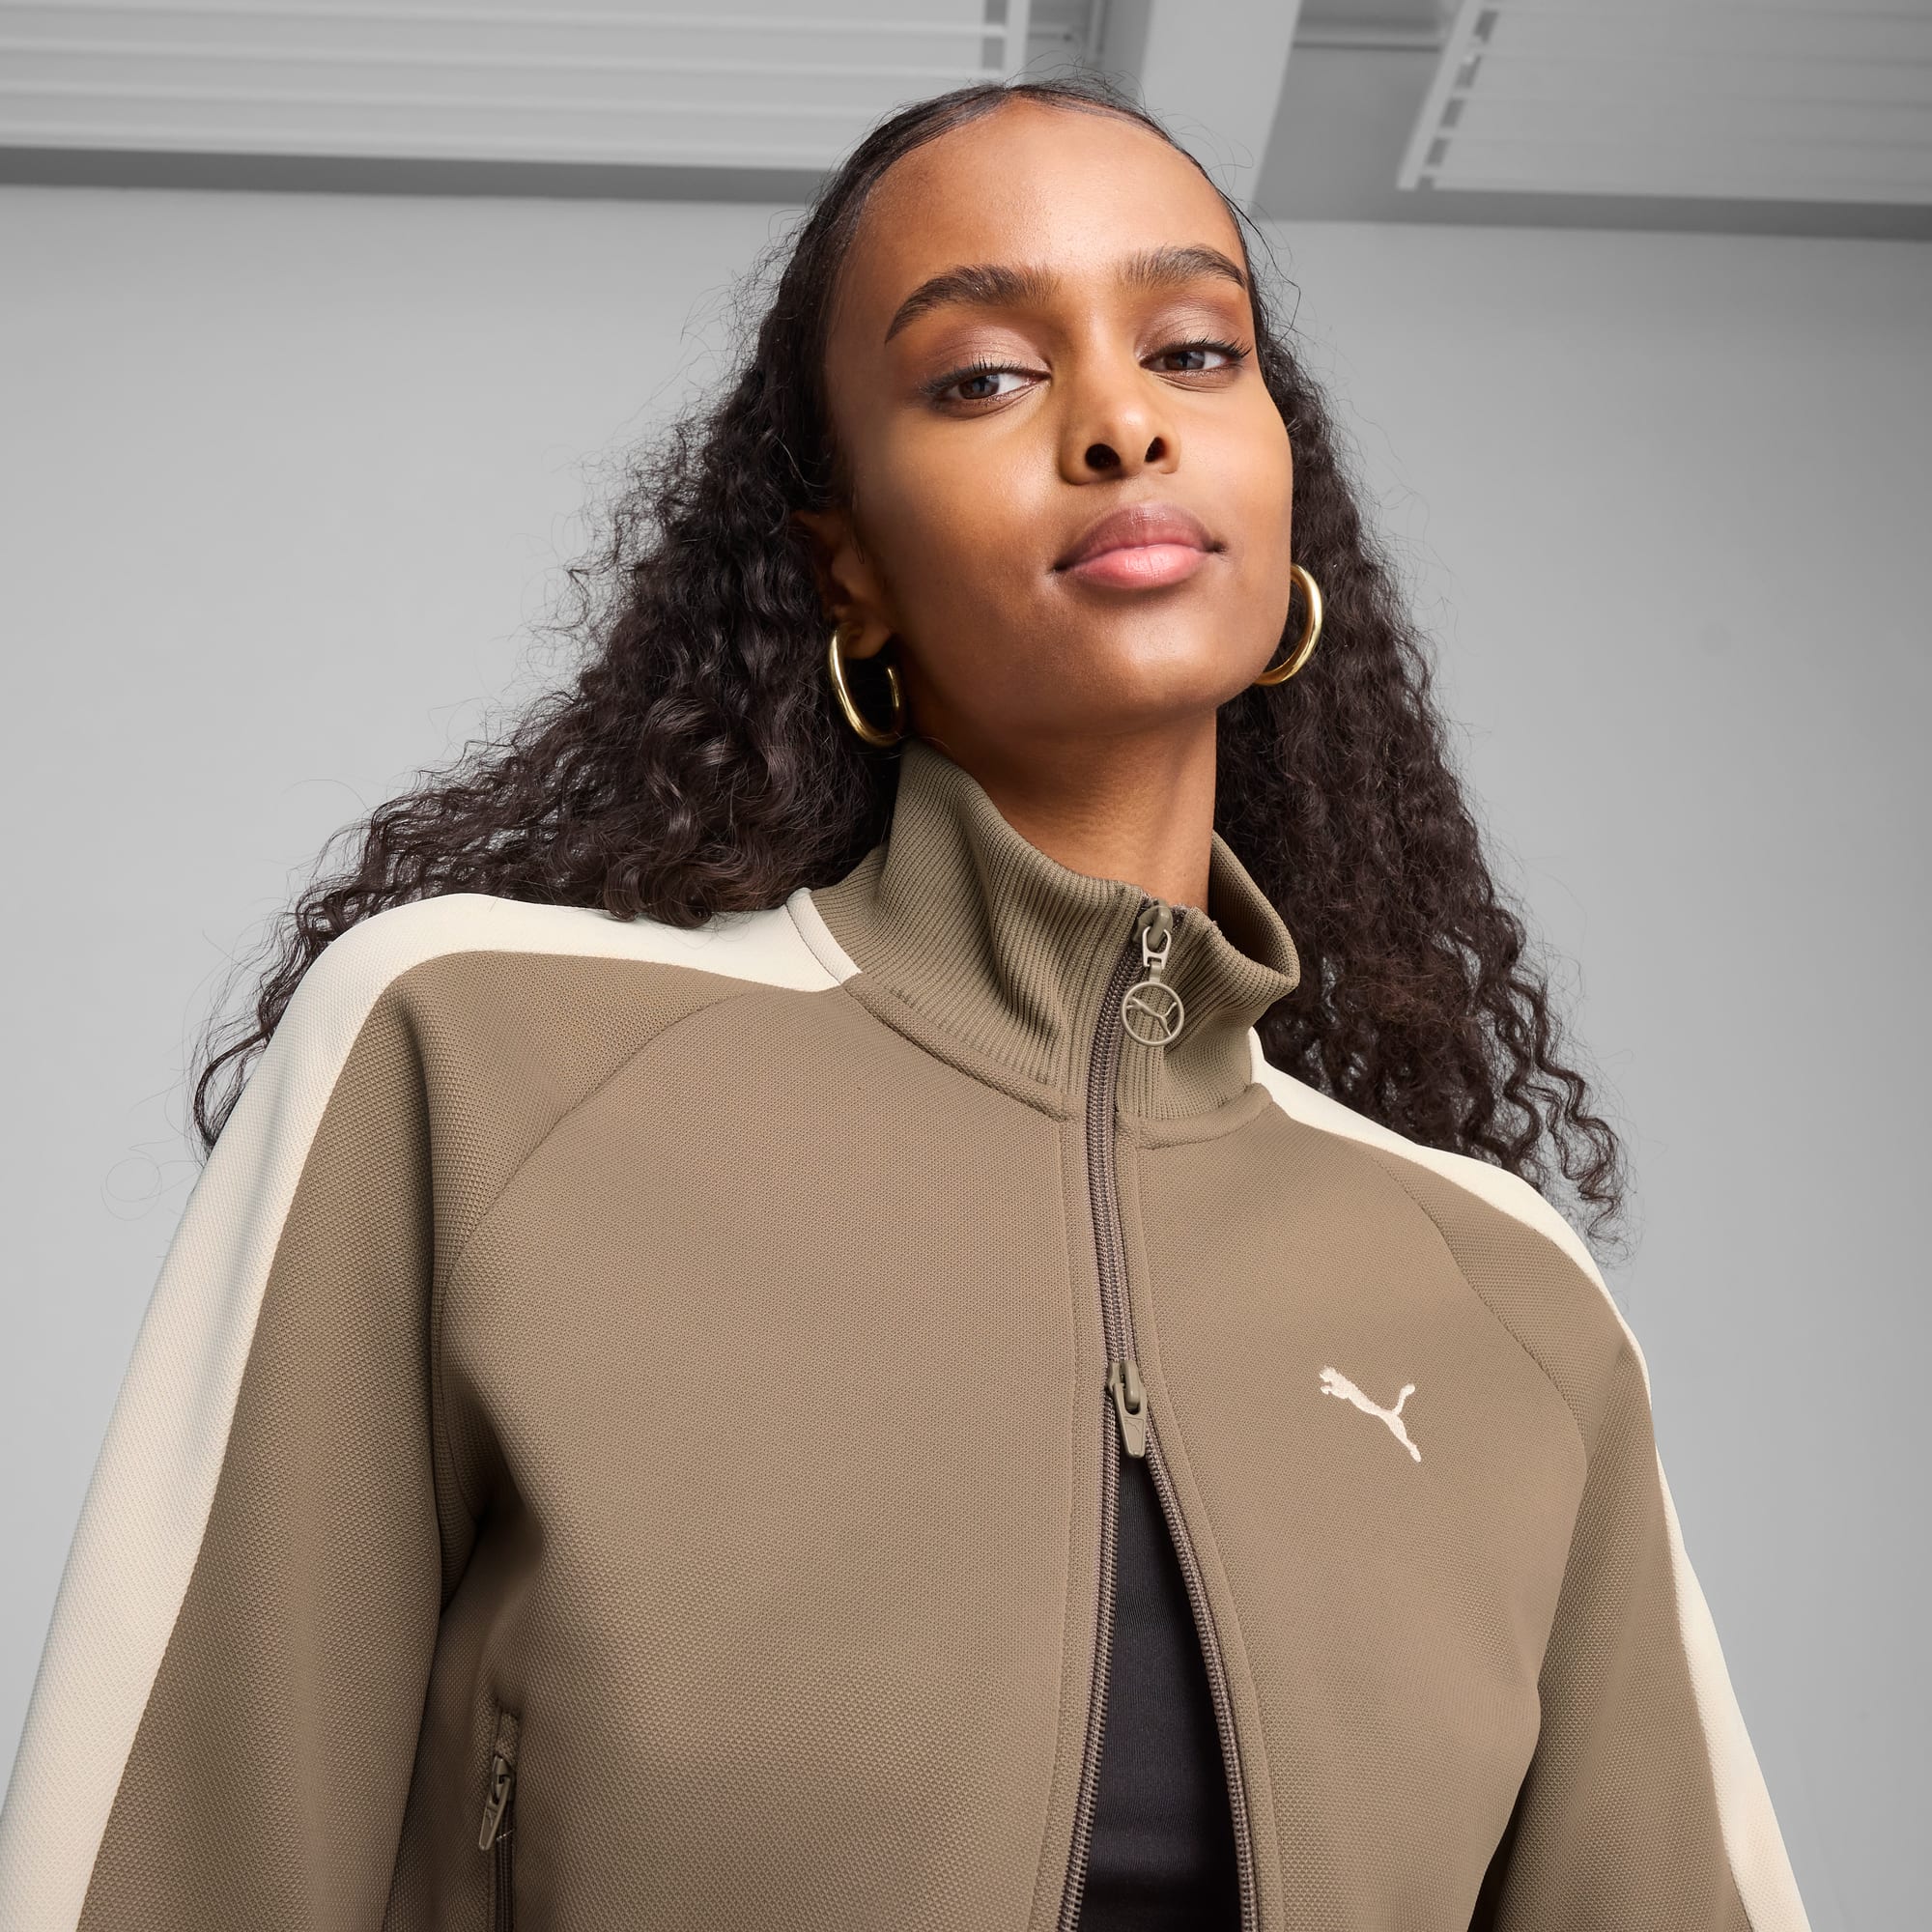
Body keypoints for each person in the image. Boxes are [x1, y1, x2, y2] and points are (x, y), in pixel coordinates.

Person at [0, 71, 1809, 1932]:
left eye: (1194, 354)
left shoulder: (1507, 1299)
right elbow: (172, 1857)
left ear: (1287, 510)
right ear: (845, 569)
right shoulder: (477, 1061)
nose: (1120, 422)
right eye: (985, 377)